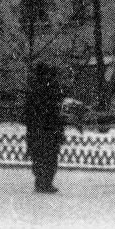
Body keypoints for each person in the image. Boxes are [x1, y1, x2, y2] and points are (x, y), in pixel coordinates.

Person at [24, 63, 65, 193]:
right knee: (49, 157)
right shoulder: (51, 89)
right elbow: (56, 110)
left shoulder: (33, 89)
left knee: (39, 157)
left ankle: (41, 182)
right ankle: (45, 182)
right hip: (49, 129)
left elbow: (28, 112)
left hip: (37, 129)